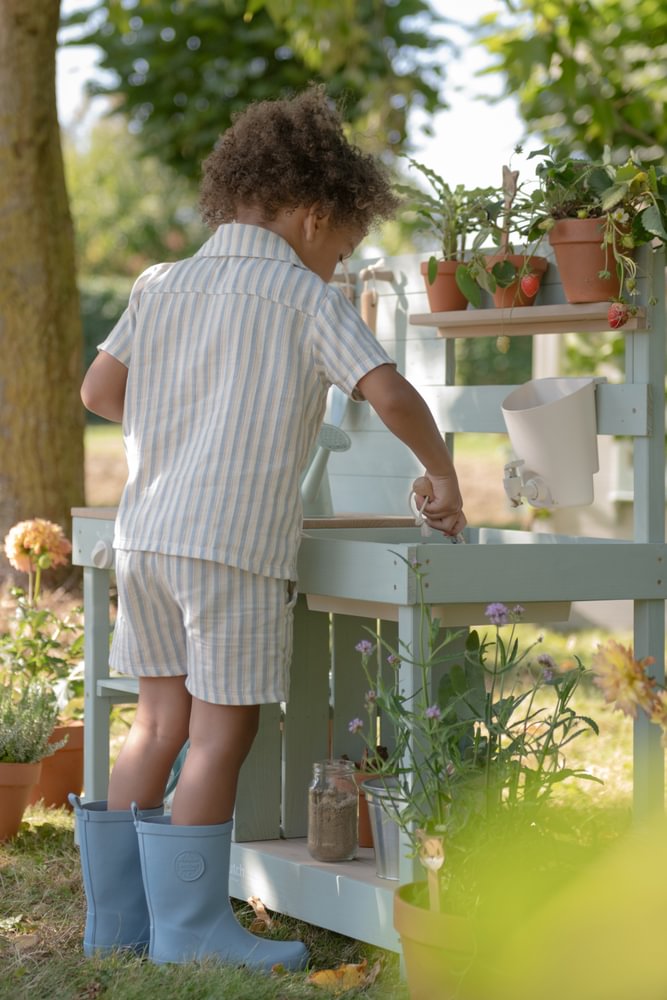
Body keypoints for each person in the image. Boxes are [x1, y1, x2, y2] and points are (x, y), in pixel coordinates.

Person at [72, 85, 466, 970]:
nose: (337, 264)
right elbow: (388, 390)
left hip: (145, 537)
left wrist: (184, 413)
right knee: (221, 732)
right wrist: (439, 474)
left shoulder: (160, 283)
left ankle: (116, 927)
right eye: (343, 246)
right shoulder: (301, 298)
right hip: (228, 543)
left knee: (156, 724)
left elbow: (99, 393)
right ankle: (191, 934)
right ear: (314, 213)